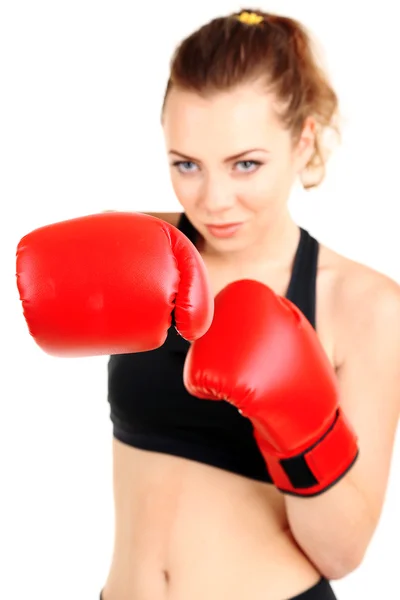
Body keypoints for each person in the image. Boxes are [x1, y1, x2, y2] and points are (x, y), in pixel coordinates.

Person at [15, 8, 400, 600]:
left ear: (303, 142)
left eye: (246, 164)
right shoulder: (143, 250)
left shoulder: (364, 305)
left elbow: (342, 553)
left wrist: (298, 425)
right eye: (186, 165)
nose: (215, 200)